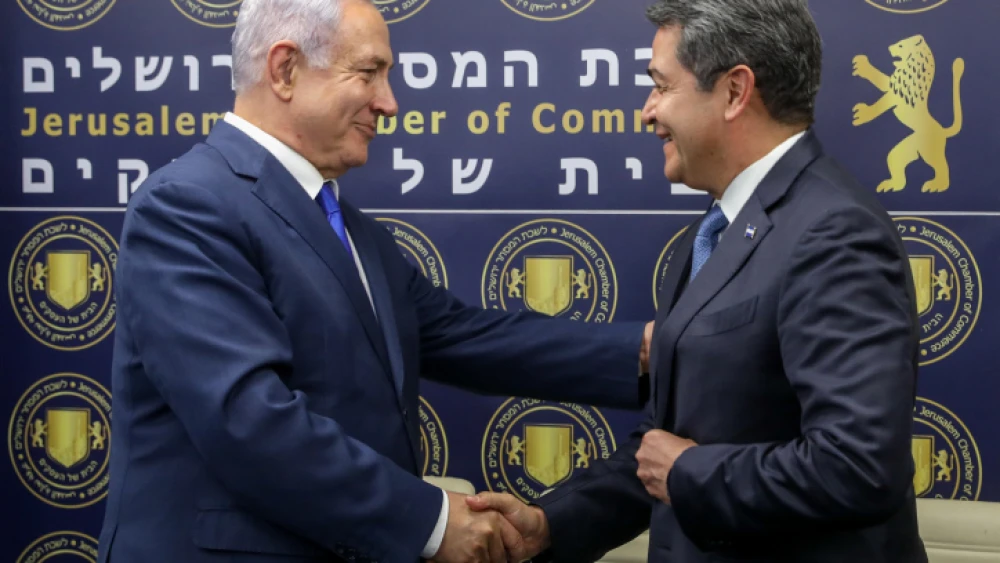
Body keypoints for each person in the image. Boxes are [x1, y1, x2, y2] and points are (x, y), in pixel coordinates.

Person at [95, 0, 653, 561]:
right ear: (285, 69)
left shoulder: (348, 228)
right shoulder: (187, 205)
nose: (389, 103)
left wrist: (653, 351)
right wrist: (432, 522)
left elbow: (468, 338)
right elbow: (246, 421)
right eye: (368, 73)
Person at [468, 0, 926, 561]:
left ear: (734, 92)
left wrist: (688, 472)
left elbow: (858, 468)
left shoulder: (833, 233)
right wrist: (550, 526)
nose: (647, 112)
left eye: (661, 86)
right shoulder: (717, 229)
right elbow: (664, 446)